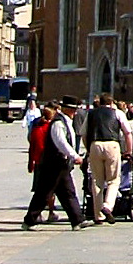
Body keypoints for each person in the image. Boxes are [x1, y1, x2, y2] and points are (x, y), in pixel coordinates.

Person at [23, 97, 90, 230]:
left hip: (61, 164)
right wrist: (75, 156)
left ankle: (77, 220)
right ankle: (29, 220)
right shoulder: (58, 123)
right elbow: (61, 142)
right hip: (53, 163)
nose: (75, 112)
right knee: (44, 193)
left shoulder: (66, 121)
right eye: (73, 109)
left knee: (68, 192)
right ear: (67, 109)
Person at [84, 92, 132, 224]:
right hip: (112, 144)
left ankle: (98, 215)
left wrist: (89, 149)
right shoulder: (117, 113)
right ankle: (108, 206)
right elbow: (127, 133)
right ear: (111, 103)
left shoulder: (91, 114)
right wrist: (129, 151)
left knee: (97, 181)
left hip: (95, 144)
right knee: (113, 180)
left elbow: (83, 134)